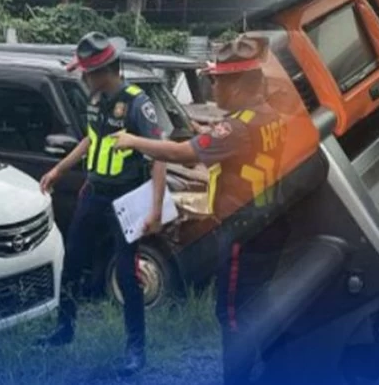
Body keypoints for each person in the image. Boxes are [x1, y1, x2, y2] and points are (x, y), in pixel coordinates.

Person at [112, 34, 289, 385]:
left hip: (243, 233)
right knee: (257, 305)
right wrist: (201, 130)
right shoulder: (268, 115)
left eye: (216, 79)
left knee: (232, 315)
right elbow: (231, 141)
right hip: (269, 227)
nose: (211, 86)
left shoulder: (236, 127)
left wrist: (134, 141)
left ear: (238, 85)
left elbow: (185, 155)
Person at [36, 31, 167, 377]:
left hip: (126, 199)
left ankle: (136, 351)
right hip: (93, 195)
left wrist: (155, 209)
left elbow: (159, 157)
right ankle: (64, 330)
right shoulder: (94, 101)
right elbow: (88, 142)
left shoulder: (139, 103)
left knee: (127, 273)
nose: (82, 78)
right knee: (72, 261)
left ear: (103, 70)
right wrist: (59, 170)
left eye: (86, 72)